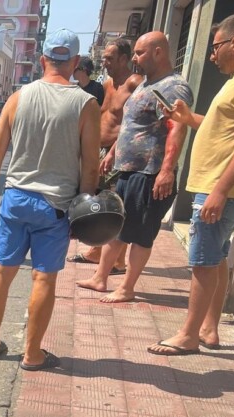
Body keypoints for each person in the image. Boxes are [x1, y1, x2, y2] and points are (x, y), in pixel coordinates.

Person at [150, 13, 234, 356]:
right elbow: (225, 129)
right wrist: (187, 118)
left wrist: (221, 190)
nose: (212, 56)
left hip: (221, 189)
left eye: (216, 47)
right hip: (217, 188)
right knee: (216, 257)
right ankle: (208, 328)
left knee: (203, 261)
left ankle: (188, 335)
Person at [0, 29, 100, 370]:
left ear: (43, 59)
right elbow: (91, 166)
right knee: (44, 279)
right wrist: (84, 210)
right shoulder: (86, 104)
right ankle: (32, 354)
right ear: (76, 62)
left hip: (16, 199)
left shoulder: (18, 98)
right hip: (55, 205)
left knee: (1, 272)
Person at [76, 32, 194, 303]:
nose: (136, 59)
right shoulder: (146, 85)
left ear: (158, 52)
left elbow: (177, 128)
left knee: (140, 234)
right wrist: (113, 154)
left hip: (149, 174)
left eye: (140, 53)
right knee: (116, 226)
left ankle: (127, 288)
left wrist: (166, 170)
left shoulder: (173, 87)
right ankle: (100, 278)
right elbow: (132, 125)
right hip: (128, 170)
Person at [69, 39, 142, 272]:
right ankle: (98, 251)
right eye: (104, 58)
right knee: (99, 200)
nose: (105, 62)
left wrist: (112, 152)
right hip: (100, 151)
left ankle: (117, 260)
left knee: (115, 204)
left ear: (124, 59)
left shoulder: (135, 83)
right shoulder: (107, 85)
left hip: (118, 153)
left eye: (110, 58)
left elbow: (135, 124)